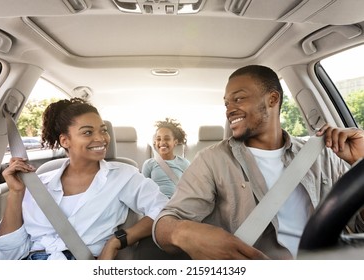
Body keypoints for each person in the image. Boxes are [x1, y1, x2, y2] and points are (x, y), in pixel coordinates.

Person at [152, 65, 364, 260]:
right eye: (226, 103)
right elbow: (165, 223)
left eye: (239, 99)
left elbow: (357, 224)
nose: (229, 109)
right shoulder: (212, 160)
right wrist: (182, 233)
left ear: (272, 99)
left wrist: (361, 161)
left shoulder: (322, 154)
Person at [0, 98, 168, 260]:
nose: (101, 138)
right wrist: (16, 192)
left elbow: (163, 210)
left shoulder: (124, 175)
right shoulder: (38, 182)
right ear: (65, 141)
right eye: (88, 132)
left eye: (103, 130)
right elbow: (6, 255)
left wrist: (117, 241)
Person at [142, 118, 190, 198]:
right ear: (155, 142)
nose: (162, 142)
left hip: (177, 205)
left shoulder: (184, 163)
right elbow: (143, 190)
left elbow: (189, 189)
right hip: (155, 204)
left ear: (175, 142)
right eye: (158, 139)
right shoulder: (149, 164)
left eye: (167, 139)